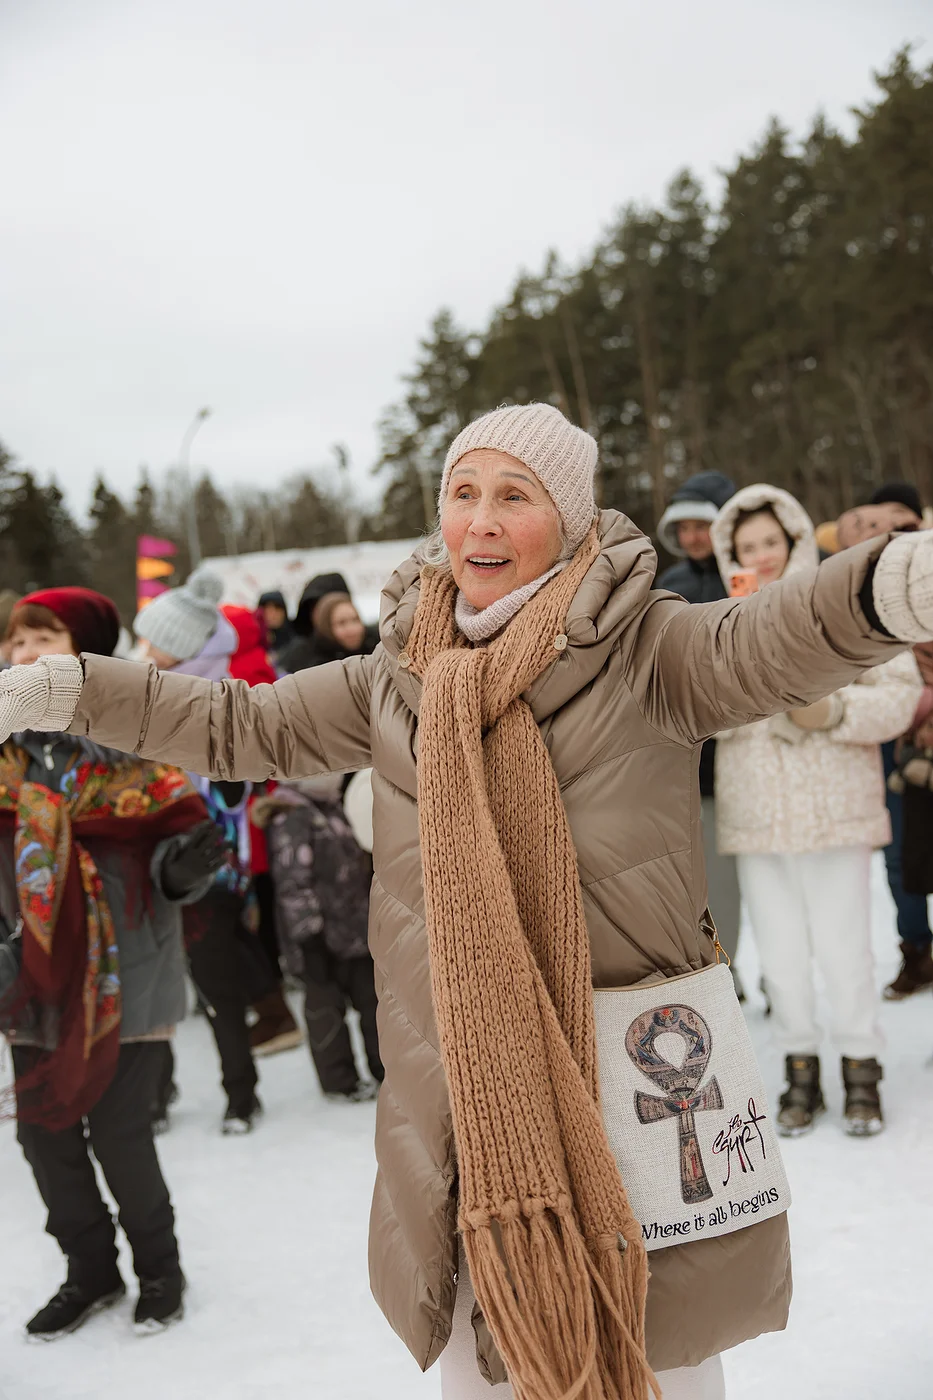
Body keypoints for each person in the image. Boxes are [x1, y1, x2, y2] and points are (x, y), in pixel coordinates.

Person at [3, 404, 933, 1399]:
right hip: (458, 1094)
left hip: (630, 1085)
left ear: (570, 519)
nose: (480, 519)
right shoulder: (394, 678)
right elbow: (240, 722)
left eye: (514, 495)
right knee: (482, 1365)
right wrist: (65, 690)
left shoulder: (649, 649)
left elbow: (777, 634)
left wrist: (890, 583)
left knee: (660, 1356)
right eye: (463, 492)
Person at [0, 588, 220, 1339]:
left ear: (86, 651)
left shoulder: (138, 746)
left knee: (122, 1136)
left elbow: (176, 858)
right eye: (17, 643)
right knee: (44, 1140)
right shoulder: (3, 760)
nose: (25, 657)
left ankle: (160, 1268)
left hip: (130, 974)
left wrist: (188, 867)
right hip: (28, 979)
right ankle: (88, 1273)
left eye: (45, 639)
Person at [710, 485, 921, 1139]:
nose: (761, 556)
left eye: (769, 542)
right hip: (757, 813)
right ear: (731, 555)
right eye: (747, 547)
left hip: (835, 805)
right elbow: (693, 713)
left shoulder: (840, 604)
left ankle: (861, 1066)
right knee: (778, 955)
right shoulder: (718, 620)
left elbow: (898, 691)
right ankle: (800, 1071)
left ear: (795, 539)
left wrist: (832, 712)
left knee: (843, 949)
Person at [134, 576, 272, 1131]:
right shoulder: (150, 695)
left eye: (156, 643)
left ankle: (241, 1094)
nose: (146, 653)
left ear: (188, 646)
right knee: (152, 981)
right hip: (152, 862)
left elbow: (239, 787)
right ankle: (156, 1092)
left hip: (210, 864)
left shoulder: (221, 699)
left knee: (216, 986)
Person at [834, 491, 933, 998]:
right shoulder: (857, 592)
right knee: (900, 861)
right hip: (895, 751)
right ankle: (916, 950)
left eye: (903, 523)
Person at [657, 472, 743, 991]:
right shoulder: (672, 585)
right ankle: (723, 969)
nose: (692, 538)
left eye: (702, 525)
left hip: (755, 755)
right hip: (699, 761)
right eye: (683, 528)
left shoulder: (753, 572)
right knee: (710, 877)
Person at [252, 776, 383, 1101]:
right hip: (320, 942)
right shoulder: (292, 815)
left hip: (357, 931)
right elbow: (293, 882)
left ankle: (387, 1071)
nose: (336, 776)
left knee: (375, 1006)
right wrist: (310, 938)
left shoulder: (332, 805)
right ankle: (340, 1082)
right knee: (326, 1012)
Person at [277, 573, 378, 674]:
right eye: (341, 623)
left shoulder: (378, 643)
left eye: (355, 620)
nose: (351, 629)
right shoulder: (303, 659)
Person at [257, 590, 293, 663]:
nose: (273, 615)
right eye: (268, 610)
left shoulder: (298, 642)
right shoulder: (254, 641)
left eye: (277, 609)